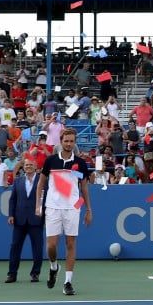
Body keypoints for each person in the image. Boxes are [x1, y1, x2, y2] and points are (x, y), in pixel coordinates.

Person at [35, 127, 93, 296]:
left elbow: (83, 188)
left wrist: (87, 209)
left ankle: (68, 282)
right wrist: (38, 206)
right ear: (61, 141)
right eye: (66, 141)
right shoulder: (50, 161)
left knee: (70, 244)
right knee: (51, 245)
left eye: (71, 141)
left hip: (73, 208)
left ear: (74, 142)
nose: (68, 144)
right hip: (52, 207)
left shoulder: (80, 164)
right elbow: (40, 184)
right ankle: (54, 267)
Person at [7, 155, 45, 283]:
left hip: (36, 220)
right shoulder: (18, 181)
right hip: (19, 219)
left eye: (31, 165)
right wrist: (11, 215)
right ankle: (12, 274)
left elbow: (45, 200)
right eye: (26, 165)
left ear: (36, 167)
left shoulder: (42, 181)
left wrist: (44, 215)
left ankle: (35, 273)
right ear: (23, 167)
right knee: (15, 247)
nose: (28, 167)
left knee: (37, 248)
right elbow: (13, 200)